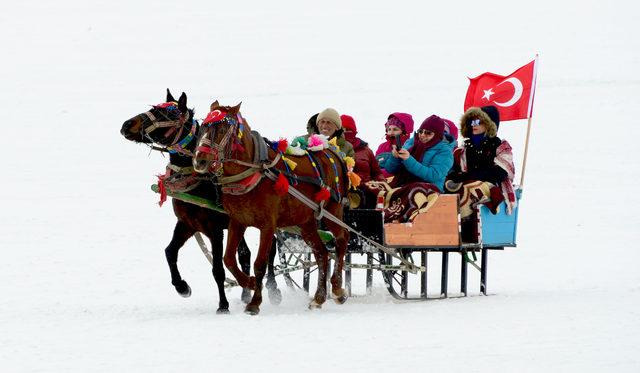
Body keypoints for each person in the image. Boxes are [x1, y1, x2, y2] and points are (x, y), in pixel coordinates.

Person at [444, 106, 517, 240]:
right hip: (466, 185)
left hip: (490, 187)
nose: (474, 125)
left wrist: (467, 176)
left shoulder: (500, 146)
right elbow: (453, 172)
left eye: (479, 122)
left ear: (489, 124)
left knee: (470, 187)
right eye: (472, 122)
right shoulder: (463, 150)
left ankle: (464, 230)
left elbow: (500, 172)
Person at [367, 115, 454, 222]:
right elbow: (390, 169)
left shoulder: (444, 151)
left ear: (438, 135)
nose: (422, 135)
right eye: (421, 131)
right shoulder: (411, 142)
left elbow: (432, 175)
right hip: (404, 184)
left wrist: (408, 159)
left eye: (428, 133)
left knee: (414, 190)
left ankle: (388, 219)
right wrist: (394, 157)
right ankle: (368, 217)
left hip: (430, 188)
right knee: (373, 186)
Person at [340, 114, 385, 208]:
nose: (345, 133)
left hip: (367, 192)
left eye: (348, 129)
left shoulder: (366, 150)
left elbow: (377, 173)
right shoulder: (333, 149)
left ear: (354, 131)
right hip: (343, 192)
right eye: (342, 130)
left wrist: (381, 185)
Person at [374, 112, 414, 178]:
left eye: (395, 129)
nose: (391, 132)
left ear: (404, 131)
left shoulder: (411, 147)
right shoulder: (382, 146)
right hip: (379, 181)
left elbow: (404, 171)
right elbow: (374, 165)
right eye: (389, 129)